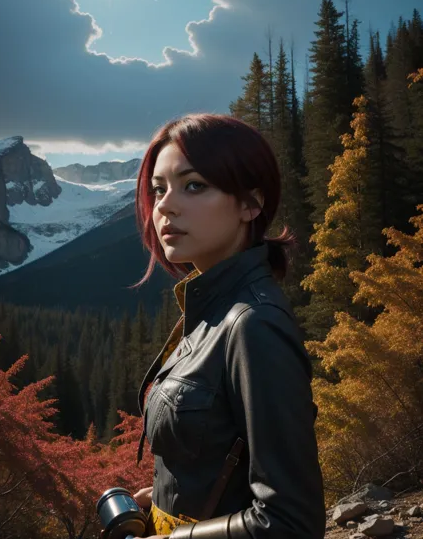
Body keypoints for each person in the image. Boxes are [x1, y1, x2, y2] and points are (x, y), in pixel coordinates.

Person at [132, 113, 326, 539]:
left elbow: (291, 522)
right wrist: (163, 501)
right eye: (159, 189)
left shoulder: (253, 325)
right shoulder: (210, 307)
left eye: (194, 185)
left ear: (250, 203)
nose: (164, 205)